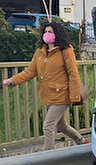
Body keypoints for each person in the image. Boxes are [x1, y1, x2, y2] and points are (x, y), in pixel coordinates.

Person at [2, 22, 87, 150]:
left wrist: (74, 96)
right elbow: (30, 71)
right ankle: (81, 141)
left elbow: (73, 73)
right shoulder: (40, 52)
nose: (47, 34)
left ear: (57, 34)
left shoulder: (66, 50)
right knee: (61, 126)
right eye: (45, 32)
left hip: (62, 94)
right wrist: (13, 81)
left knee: (48, 125)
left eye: (50, 32)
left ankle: (47, 156)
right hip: (48, 95)